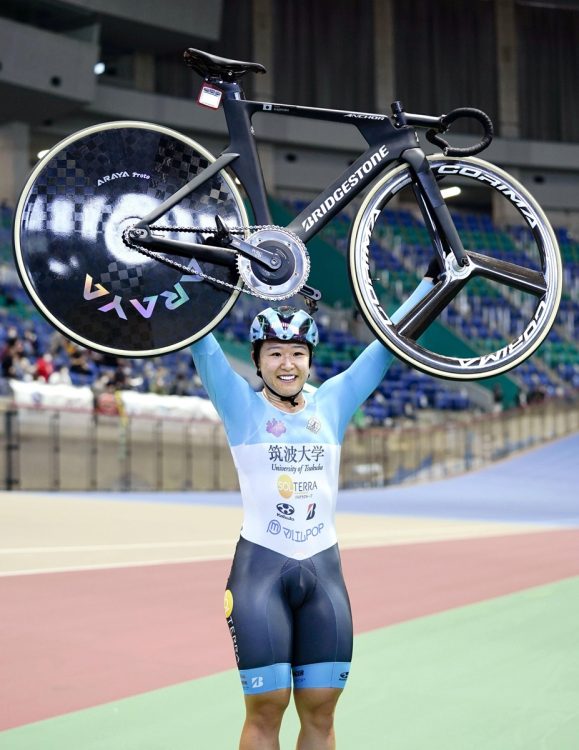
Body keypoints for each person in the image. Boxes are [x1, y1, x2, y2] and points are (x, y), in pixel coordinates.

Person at [190, 273, 435, 750]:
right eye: (275, 353)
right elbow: (202, 341)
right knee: (267, 707)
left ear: (309, 359)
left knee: (321, 711)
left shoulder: (333, 402)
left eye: (297, 353)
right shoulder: (239, 404)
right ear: (257, 361)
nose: (287, 364)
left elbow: (387, 346)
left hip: (324, 569)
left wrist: (431, 285)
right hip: (261, 569)